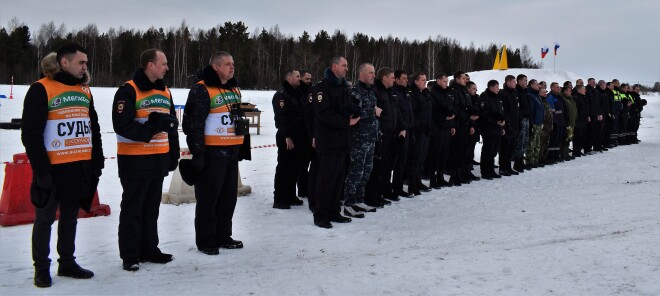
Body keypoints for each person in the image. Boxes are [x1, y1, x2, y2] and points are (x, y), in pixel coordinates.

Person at [22, 43, 104, 287]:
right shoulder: (41, 89)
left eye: (86, 63)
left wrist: (96, 161)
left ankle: (67, 263)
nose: (85, 67)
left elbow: (94, 128)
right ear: (64, 63)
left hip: (78, 167)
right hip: (52, 168)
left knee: (70, 218)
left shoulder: (84, 91)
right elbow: (31, 135)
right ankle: (42, 268)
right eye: (81, 62)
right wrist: (42, 171)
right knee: (45, 219)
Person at [113, 49, 180, 271]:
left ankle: (150, 249)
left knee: (151, 208)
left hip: (158, 159)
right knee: (133, 208)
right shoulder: (128, 90)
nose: (166, 68)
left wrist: (173, 155)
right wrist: (150, 129)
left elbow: (171, 126)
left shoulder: (165, 91)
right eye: (163, 63)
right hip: (134, 160)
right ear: (150, 65)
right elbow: (121, 125)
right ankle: (130, 255)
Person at [182, 51, 249, 253]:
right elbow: (193, 124)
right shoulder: (202, 90)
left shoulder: (234, 89)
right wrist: (198, 153)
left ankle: (223, 235)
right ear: (216, 67)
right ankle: (206, 239)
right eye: (227, 64)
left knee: (229, 198)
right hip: (212, 154)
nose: (232, 67)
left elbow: (236, 118)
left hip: (231, 153)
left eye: (233, 63)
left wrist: (241, 146)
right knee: (208, 199)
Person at [311, 54, 359, 228]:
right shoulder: (321, 88)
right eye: (344, 65)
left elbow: (344, 107)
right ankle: (321, 215)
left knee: (339, 179)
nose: (347, 68)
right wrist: (346, 121)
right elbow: (323, 114)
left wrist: (354, 111)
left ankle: (334, 211)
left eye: (347, 65)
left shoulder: (343, 87)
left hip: (343, 141)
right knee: (326, 180)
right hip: (329, 142)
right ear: (334, 67)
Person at [343, 63, 379, 218]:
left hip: (370, 137)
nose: (373, 76)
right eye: (371, 73)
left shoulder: (370, 91)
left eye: (374, 73)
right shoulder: (354, 92)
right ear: (362, 74)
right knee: (355, 171)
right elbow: (354, 115)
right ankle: (348, 203)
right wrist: (373, 111)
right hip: (359, 139)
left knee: (366, 170)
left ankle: (359, 199)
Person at [272, 69, 306, 209]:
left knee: (294, 168)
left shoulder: (297, 93)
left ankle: (291, 195)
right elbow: (281, 118)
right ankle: (280, 198)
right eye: (297, 76)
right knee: (284, 168)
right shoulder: (281, 95)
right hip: (287, 137)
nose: (300, 79)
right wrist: (287, 136)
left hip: (299, 136)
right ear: (289, 77)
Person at [368, 67, 399, 205]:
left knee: (387, 165)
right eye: (392, 77)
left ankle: (382, 191)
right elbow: (375, 113)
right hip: (380, 134)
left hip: (390, 133)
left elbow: (395, 112)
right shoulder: (377, 91)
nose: (394, 80)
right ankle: (373, 194)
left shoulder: (390, 92)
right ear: (384, 78)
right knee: (377, 167)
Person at [448, 71, 479, 185]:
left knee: (463, 151)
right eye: (463, 78)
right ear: (456, 79)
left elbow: (469, 107)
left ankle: (461, 173)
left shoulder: (465, 91)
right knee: (456, 152)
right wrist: (467, 116)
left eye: (466, 79)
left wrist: (471, 122)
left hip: (466, 124)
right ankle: (454, 176)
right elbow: (456, 109)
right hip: (458, 125)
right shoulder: (454, 91)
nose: (465, 80)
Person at [428, 73, 456, 188]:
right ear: (438, 80)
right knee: (435, 154)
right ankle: (432, 179)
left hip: (447, 127)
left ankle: (440, 176)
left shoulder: (448, 92)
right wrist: (444, 118)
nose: (446, 83)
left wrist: (452, 124)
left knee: (444, 154)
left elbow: (452, 107)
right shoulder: (433, 93)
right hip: (438, 128)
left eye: (447, 81)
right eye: (444, 81)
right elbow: (433, 111)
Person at [407, 71, 433, 195]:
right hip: (418, 131)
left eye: (426, 80)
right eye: (423, 80)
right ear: (416, 81)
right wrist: (418, 127)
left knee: (422, 158)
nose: (425, 82)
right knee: (415, 158)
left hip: (426, 130)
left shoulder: (425, 93)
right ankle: (412, 184)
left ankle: (418, 181)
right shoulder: (413, 94)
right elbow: (413, 114)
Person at [390, 70, 414, 199]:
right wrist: (402, 127)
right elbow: (397, 113)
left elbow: (410, 112)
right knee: (395, 162)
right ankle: (391, 188)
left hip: (408, 131)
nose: (406, 80)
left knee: (402, 162)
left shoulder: (406, 93)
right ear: (397, 80)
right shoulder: (395, 93)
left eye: (406, 78)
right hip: (399, 132)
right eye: (403, 78)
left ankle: (398, 187)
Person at [478, 80, 505, 179]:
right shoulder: (485, 98)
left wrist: (502, 122)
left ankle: (491, 170)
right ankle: (485, 171)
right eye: (496, 87)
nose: (498, 88)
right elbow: (484, 115)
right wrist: (495, 122)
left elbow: (500, 113)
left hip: (496, 128)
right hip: (488, 129)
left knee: (493, 151)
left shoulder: (497, 98)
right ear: (491, 87)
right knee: (487, 150)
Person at [499, 75, 521, 175]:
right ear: (508, 82)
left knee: (511, 148)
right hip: (508, 126)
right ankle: (503, 168)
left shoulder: (514, 93)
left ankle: (508, 167)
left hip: (514, 125)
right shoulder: (504, 94)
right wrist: (508, 124)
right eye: (513, 82)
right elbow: (505, 112)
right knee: (505, 148)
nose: (515, 83)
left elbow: (516, 110)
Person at [297, 70, 313, 199]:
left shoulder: (310, 91)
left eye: (310, 79)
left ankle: (308, 188)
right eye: (306, 79)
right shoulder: (298, 92)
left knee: (309, 163)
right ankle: (302, 189)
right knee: (302, 165)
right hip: (301, 133)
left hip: (310, 133)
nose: (309, 81)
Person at [526, 79, 544, 168]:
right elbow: (531, 110)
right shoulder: (530, 95)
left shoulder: (537, 95)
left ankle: (535, 160)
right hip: (534, 123)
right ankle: (530, 161)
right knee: (532, 143)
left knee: (537, 142)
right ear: (532, 85)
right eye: (537, 84)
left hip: (539, 122)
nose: (539, 86)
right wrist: (531, 123)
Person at [514, 74, 530, 171]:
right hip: (521, 119)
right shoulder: (517, 92)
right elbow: (518, 108)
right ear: (519, 81)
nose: (526, 82)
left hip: (527, 118)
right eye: (525, 80)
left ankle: (521, 161)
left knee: (525, 141)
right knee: (520, 141)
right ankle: (517, 162)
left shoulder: (525, 92)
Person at [547, 82, 566, 163]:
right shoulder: (550, 97)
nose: (558, 88)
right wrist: (554, 122)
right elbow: (552, 111)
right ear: (552, 88)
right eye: (556, 87)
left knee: (558, 140)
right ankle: (551, 157)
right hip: (555, 122)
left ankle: (556, 155)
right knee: (553, 140)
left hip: (560, 121)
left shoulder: (559, 97)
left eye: (558, 87)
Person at [559, 86, 577, 161]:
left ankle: (566, 153)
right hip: (567, 122)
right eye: (569, 91)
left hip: (572, 122)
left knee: (569, 138)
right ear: (565, 91)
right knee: (565, 139)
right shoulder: (563, 99)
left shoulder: (570, 99)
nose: (570, 92)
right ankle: (563, 154)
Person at [572, 85, 590, 157]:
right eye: (583, 89)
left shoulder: (584, 97)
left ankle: (579, 150)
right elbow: (576, 110)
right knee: (577, 136)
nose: (585, 90)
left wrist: (587, 116)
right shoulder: (576, 98)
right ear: (579, 90)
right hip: (579, 120)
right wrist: (577, 119)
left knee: (582, 136)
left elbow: (586, 108)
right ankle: (575, 151)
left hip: (584, 120)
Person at [538, 87, 553, 165]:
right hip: (543, 126)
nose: (545, 94)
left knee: (546, 143)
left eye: (545, 92)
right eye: (543, 92)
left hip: (548, 126)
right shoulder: (540, 101)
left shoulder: (545, 101)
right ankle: (539, 159)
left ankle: (544, 158)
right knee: (541, 143)